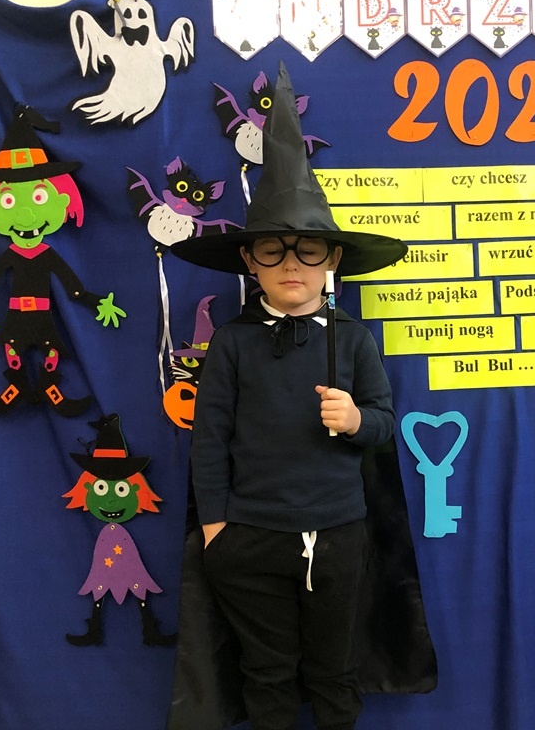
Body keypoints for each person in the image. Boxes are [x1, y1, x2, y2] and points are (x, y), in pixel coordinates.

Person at [170, 62, 409, 730]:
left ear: (332, 259)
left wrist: (356, 418)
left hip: (339, 535)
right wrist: (217, 532)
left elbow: (385, 423)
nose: (292, 266)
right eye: (274, 251)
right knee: (267, 675)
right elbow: (209, 440)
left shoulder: (352, 339)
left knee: (334, 674)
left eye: (307, 251)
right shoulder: (232, 344)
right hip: (249, 539)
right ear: (250, 262)